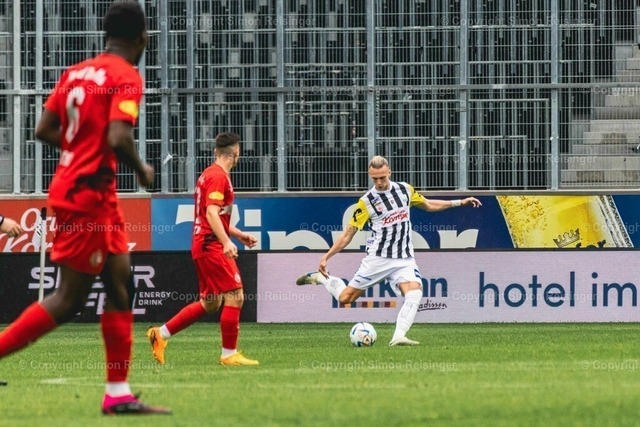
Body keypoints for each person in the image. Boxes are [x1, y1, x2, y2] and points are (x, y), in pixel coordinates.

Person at [0, 2, 170, 415]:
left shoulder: (76, 72)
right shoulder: (125, 76)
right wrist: (143, 171)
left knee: (121, 285)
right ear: (143, 38)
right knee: (69, 298)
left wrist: (80, 147)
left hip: (88, 191)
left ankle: (118, 394)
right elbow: (118, 137)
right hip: (86, 195)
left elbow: (43, 129)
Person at [297, 155, 482, 346]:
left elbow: (428, 205)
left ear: (390, 173)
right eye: (375, 179)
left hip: (404, 258)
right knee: (345, 299)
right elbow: (348, 234)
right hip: (378, 259)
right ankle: (322, 279)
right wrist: (327, 257)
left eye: (382, 178)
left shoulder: (405, 190)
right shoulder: (366, 202)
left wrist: (460, 202)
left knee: (415, 292)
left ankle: (398, 336)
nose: (379, 182)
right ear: (370, 175)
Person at [146, 132, 259, 366]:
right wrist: (226, 242)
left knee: (211, 302)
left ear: (216, 151)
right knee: (235, 295)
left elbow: (212, 215)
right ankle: (229, 354)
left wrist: (237, 234)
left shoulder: (208, 174)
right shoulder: (218, 177)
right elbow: (211, 213)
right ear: (236, 153)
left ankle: (161, 334)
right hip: (211, 244)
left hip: (202, 243)